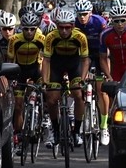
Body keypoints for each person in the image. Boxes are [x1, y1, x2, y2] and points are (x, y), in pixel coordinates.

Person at [42, 10, 89, 148]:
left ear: (73, 26)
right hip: (56, 66)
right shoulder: (51, 37)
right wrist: (45, 81)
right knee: (51, 98)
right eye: (60, 27)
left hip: (74, 66)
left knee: (79, 95)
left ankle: (76, 132)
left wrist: (83, 79)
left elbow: (85, 60)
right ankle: (55, 130)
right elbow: (46, 60)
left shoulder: (80, 37)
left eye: (67, 27)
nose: (63, 31)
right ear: (56, 26)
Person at [99, 6, 126, 145]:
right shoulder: (105, 34)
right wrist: (108, 76)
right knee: (112, 99)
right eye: (116, 21)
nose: (119, 24)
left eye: (122, 20)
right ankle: (109, 127)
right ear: (111, 21)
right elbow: (102, 57)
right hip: (115, 69)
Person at [7, 12, 46, 148]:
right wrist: (10, 78)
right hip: (20, 71)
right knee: (18, 106)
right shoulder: (15, 40)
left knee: (46, 92)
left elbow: (46, 59)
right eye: (26, 29)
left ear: (37, 28)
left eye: (32, 29)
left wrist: (45, 79)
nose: (29, 32)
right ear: (21, 28)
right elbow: (10, 60)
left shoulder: (41, 39)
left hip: (35, 70)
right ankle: (18, 134)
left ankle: (42, 118)